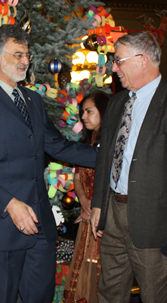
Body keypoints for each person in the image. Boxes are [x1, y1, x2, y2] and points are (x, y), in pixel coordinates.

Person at [0, 24, 98, 303]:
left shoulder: (32, 100)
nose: (25, 61)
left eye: (27, 55)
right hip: (2, 229)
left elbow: (58, 146)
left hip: (41, 230)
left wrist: (111, 155)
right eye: (17, 54)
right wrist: (10, 204)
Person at [90, 32, 167, 303]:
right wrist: (99, 203)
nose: (113, 68)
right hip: (114, 215)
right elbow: (105, 156)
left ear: (142, 61)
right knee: (109, 292)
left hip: (155, 220)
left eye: (119, 61)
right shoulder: (119, 102)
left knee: (155, 297)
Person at [64, 91, 109, 303]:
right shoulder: (85, 142)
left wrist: (96, 205)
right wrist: (83, 201)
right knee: (82, 263)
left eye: (89, 111)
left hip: (104, 216)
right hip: (87, 212)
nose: (84, 116)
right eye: (82, 112)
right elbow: (78, 176)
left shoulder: (110, 144)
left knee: (98, 267)